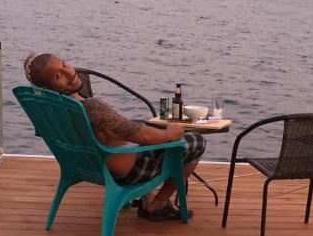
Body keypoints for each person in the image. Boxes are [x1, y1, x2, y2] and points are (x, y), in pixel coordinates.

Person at [24, 52, 204, 220]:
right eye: (58, 75)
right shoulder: (92, 108)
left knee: (141, 126)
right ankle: (158, 204)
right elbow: (144, 137)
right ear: (48, 85)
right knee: (194, 140)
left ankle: (147, 196)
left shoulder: (50, 107)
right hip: (127, 172)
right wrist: (171, 133)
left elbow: (39, 71)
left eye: (65, 64)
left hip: (87, 165)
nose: (70, 72)